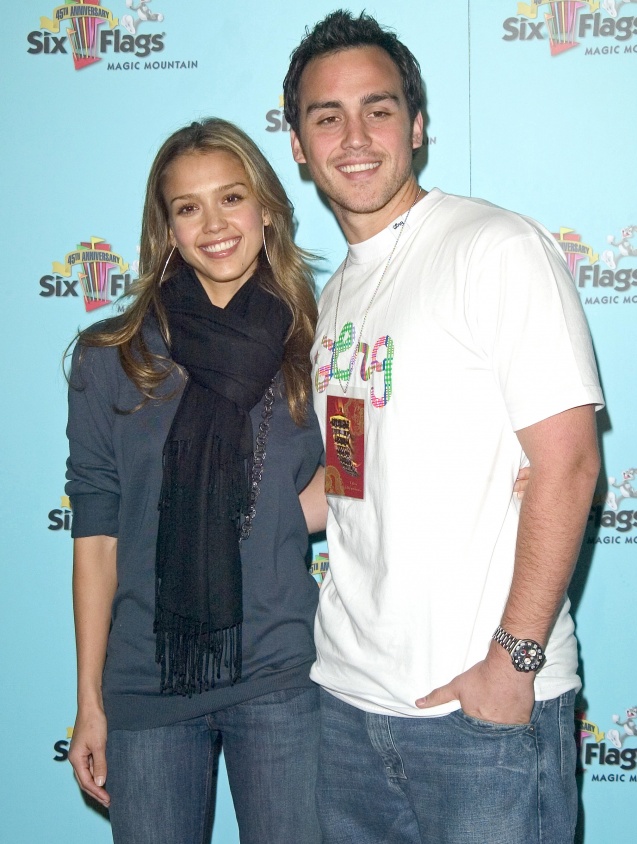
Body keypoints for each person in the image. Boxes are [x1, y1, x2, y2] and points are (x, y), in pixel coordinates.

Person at [283, 10, 604, 844]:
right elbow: (349, 473)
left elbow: (569, 465)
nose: (356, 137)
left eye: (379, 109)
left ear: (418, 125)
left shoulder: (494, 248)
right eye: (327, 117)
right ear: (299, 144)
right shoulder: (338, 295)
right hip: (347, 704)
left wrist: (514, 662)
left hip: (481, 717)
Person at [65, 117, 328, 844]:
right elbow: (97, 538)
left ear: (266, 209)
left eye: (231, 198)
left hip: (280, 675)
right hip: (147, 686)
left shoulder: (316, 343)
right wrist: (90, 701)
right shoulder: (112, 356)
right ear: (168, 231)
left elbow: (338, 489)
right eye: (189, 207)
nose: (214, 224)